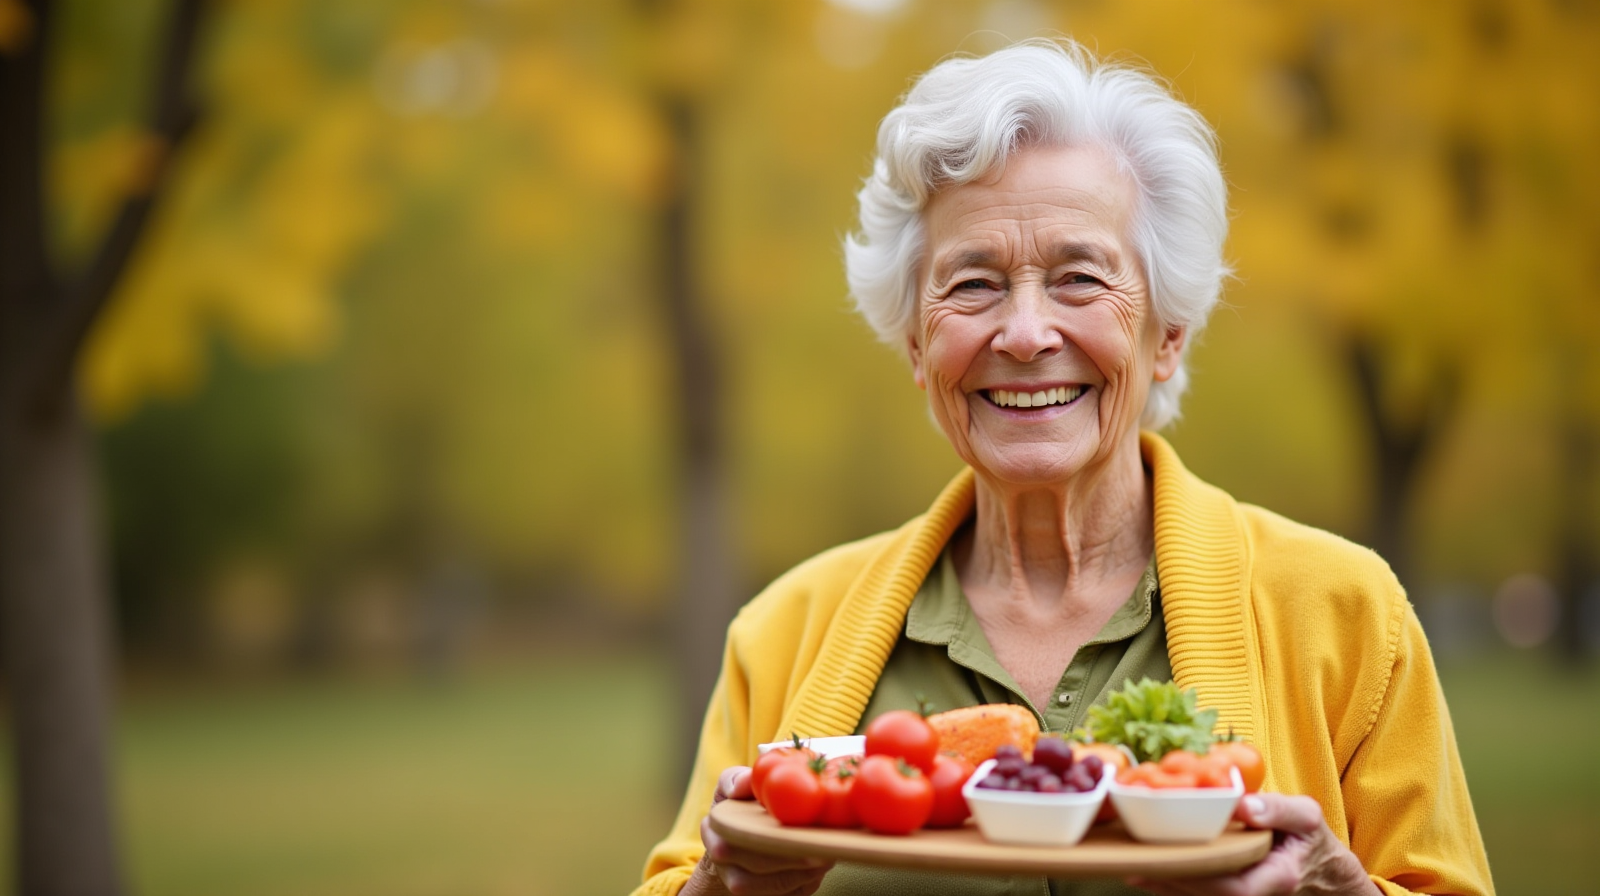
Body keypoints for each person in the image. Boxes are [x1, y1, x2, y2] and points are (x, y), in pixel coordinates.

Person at [634, 39, 1493, 896]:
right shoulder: (784, 632)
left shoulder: (1344, 617)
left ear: (1167, 334)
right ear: (915, 342)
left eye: (1080, 277)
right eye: (972, 284)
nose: (1025, 333)